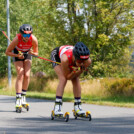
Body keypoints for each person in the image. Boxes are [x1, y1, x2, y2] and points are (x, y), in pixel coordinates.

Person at [50, 42, 91, 115]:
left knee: (76, 79)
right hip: (57, 55)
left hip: (70, 57)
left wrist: (79, 71)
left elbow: (76, 75)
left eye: (83, 62)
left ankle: (77, 106)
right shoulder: (65, 59)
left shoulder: (87, 61)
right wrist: (73, 72)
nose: (82, 64)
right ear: (75, 57)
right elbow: (67, 77)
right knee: (63, 79)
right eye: (79, 61)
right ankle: (57, 107)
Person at [5, 24, 38, 112]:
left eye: (29, 35)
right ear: (21, 34)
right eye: (25, 35)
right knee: (21, 74)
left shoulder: (33, 39)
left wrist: (32, 53)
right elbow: (7, 52)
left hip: (27, 54)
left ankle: (23, 96)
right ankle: (18, 98)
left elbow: (36, 53)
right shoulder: (17, 39)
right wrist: (16, 55)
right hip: (17, 53)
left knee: (27, 75)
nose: (27, 37)